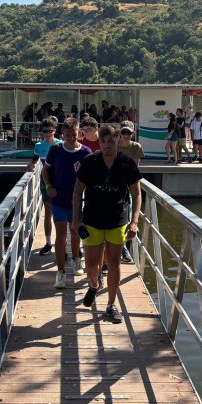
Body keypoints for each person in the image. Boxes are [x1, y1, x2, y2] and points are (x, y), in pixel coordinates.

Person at [72, 124, 142, 324]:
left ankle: (111, 305)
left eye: (111, 141)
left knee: (114, 263)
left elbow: (136, 194)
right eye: (103, 141)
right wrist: (76, 220)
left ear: (118, 141)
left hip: (117, 221)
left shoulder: (127, 164)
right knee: (92, 265)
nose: (107, 145)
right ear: (99, 142)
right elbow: (77, 192)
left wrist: (134, 221)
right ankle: (94, 285)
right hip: (92, 220)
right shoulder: (90, 162)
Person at [42, 118, 92, 289]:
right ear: (63, 134)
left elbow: (92, 177)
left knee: (76, 233)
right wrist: (48, 186)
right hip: (58, 200)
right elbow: (45, 170)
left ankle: (76, 259)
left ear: (79, 132)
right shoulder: (56, 150)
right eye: (68, 135)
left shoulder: (85, 152)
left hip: (78, 202)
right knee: (61, 236)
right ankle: (60, 272)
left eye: (74, 134)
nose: (72, 137)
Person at [27, 121, 63, 257]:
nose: (48, 133)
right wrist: (30, 166)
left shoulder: (60, 144)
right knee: (48, 211)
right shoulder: (38, 146)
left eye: (51, 131)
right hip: (45, 182)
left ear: (55, 130)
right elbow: (34, 161)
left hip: (60, 182)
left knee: (61, 213)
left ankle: (62, 243)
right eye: (45, 131)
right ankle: (48, 243)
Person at [116, 121, 142, 265]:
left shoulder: (136, 147)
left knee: (129, 213)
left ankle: (124, 247)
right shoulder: (115, 146)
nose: (126, 135)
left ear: (133, 134)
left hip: (128, 185)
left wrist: (133, 184)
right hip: (115, 185)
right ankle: (119, 249)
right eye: (123, 132)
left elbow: (136, 169)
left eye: (129, 133)